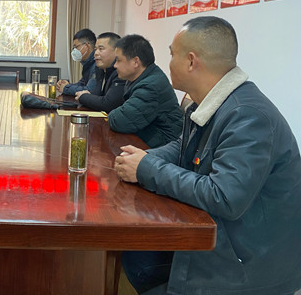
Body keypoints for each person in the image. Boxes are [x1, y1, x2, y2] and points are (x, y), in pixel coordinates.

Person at [115, 16, 301, 295]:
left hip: (247, 263)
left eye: (172, 55)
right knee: (135, 256)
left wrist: (146, 168)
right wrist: (143, 157)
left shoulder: (248, 115)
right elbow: (181, 147)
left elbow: (224, 196)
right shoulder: (209, 102)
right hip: (219, 237)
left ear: (191, 61)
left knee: (139, 261)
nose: (168, 63)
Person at [108, 34, 182, 148]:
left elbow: (120, 121)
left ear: (135, 62)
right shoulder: (141, 78)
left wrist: (111, 114)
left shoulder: (150, 86)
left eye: (118, 60)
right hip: (149, 139)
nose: (115, 65)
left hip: (164, 147)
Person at [74, 32, 125, 112]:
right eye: (95, 49)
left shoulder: (121, 72)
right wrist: (88, 96)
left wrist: (83, 96)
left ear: (116, 51)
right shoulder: (100, 69)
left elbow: (108, 104)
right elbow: (95, 94)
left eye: (101, 49)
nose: (96, 53)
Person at [56, 28, 96, 97]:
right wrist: (67, 85)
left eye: (76, 47)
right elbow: (82, 84)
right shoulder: (88, 63)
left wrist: (66, 88)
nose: (74, 51)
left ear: (86, 46)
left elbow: (89, 90)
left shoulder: (97, 64)